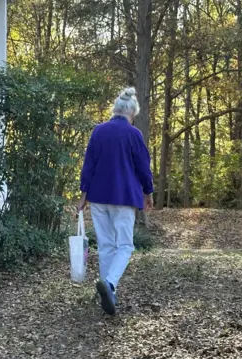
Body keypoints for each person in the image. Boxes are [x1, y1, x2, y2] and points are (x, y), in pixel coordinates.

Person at [77, 87, 154, 316]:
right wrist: (148, 193)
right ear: (131, 113)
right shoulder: (133, 134)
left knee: (106, 245)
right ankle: (109, 285)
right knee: (126, 245)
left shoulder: (98, 132)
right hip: (123, 196)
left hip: (98, 197)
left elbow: (88, 166)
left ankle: (108, 292)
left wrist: (83, 198)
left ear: (115, 109)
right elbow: (143, 167)